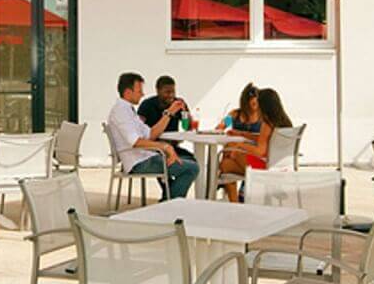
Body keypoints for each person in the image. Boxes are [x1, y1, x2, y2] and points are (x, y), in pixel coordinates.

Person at [107, 72, 199, 201]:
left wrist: (169, 113)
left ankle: (168, 201)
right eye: (139, 90)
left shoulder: (128, 110)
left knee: (189, 163)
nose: (143, 94)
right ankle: (170, 204)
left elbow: (150, 134)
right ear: (128, 92)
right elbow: (135, 142)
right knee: (191, 168)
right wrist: (165, 147)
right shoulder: (121, 112)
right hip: (138, 162)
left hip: (145, 156)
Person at [218, 88, 292, 202]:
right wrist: (239, 133)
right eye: (251, 103)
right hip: (274, 164)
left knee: (233, 151)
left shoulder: (265, 121)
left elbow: (260, 149)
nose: (255, 106)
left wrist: (239, 146)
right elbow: (222, 125)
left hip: (263, 164)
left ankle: (261, 185)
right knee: (225, 165)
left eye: (256, 103)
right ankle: (236, 205)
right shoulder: (235, 114)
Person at [137, 75, 196, 161]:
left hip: (172, 147)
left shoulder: (177, 104)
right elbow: (138, 128)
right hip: (152, 148)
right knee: (186, 162)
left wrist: (185, 112)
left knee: (192, 159)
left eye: (173, 92)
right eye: (167, 92)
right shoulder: (147, 105)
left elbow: (187, 127)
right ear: (158, 91)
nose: (171, 95)